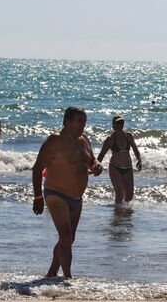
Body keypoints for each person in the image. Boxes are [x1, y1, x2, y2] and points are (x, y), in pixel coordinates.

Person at [32, 107, 103, 279]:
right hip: (56, 194)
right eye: (79, 121)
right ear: (67, 121)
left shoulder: (84, 139)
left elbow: (91, 160)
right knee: (65, 236)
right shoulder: (54, 140)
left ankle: (51, 274)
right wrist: (37, 196)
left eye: (85, 122)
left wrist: (96, 165)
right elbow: (36, 169)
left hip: (76, 198)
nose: (83, 125)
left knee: (69, 239)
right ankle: (68, 278)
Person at [96, 115, 142, 206]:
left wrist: (139, 160)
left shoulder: (128, 136)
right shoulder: (110, 139)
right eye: (118, 123)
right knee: (120, 194)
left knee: (129, 196)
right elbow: (101, 155)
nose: (120, 125)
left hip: (128, 168)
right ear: (113, 125)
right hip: (115, 168)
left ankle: (124, 214)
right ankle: (117, 215)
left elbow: (135, 149)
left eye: (121, 123)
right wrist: (95, 167)